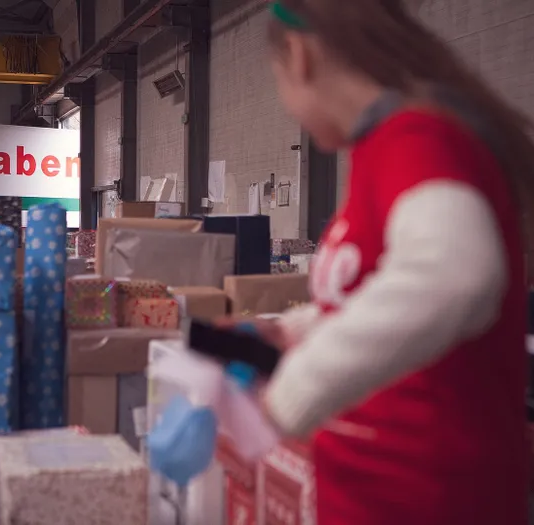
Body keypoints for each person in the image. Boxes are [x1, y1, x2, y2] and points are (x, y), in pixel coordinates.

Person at [227, 1, 534, 524]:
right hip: (378, 493)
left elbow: (454, 274)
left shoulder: (417, 137)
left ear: (298, 58)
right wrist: (301, 331)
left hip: (431, 498)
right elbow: (382, 291)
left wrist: (294, 391)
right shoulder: (381, 149)